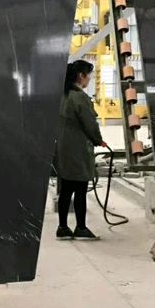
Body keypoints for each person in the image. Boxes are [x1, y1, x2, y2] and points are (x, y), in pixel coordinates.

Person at [56, 59, 105, 240]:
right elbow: (90, 125)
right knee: (80, 189)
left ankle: (62, 227)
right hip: (78, 149)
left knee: (66, 189)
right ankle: (81, 227)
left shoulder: (63, 95)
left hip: (63, 148)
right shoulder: (80, 98)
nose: (89, 79)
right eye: (88, 75)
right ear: (80, 76)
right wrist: (98, 140)